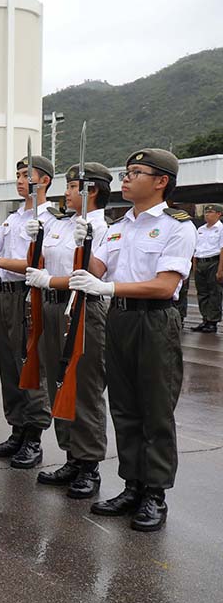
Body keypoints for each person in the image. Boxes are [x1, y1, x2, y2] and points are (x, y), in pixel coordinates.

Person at [68, 148, 196, 532]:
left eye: (136, 172)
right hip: (119, 317)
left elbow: (165, 285)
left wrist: (105, 285)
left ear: (161, 182)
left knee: (154, 408)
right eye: (126, 171)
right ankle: (132, 484)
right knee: (123, 406)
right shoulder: (119, 224)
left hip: (155, 321)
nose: (126, 178)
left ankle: (155, 493)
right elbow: (96, 268)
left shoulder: (178, 226)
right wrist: (84, 241)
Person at [25, 163, 113, 499]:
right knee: (58, 381)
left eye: (74, 186)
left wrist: (87, 244)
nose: (68, 192)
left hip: (85, 306)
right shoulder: (61, 225)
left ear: (92, 191)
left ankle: (88, 464)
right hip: (53, 305)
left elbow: (97, 275)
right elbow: (42, 260)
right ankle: (70, 455)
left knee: (85, 386)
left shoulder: (105, 228)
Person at [0, 155, 56, 469]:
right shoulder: (14, 217)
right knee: (9, 365)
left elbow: (39, 263)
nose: (20, 180)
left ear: (44, 180)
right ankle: (17, 429)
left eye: (26, 175)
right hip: (5, 295)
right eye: (18, 175)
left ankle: (33, 436)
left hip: (29, 294)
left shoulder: (51, 219)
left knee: (30, 364)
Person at [191, 203, 223, 332]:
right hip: (200, 262)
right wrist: (194, 265)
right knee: (202, 292)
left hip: (214, 262)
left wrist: (221, 269)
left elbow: (222, 250)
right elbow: (195, 248)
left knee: (214, 292)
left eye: (210, 212)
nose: (207, 215)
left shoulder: (221, 229)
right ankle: (205, 319)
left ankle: (213, 321)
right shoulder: (201, 229)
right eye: (206, 212)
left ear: (219, 214)